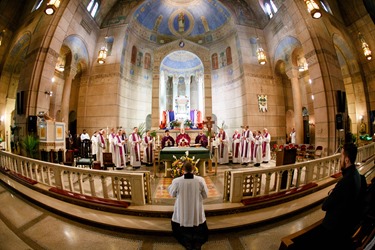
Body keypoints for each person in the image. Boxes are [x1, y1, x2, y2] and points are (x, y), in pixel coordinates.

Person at [299, 143, 365, 250]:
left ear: (347, 160)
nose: (340, 159)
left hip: (335, 230)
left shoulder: (345, 182)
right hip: (346, 224)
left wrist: (332, 193)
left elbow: (325, 206)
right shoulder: (357, 175)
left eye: (341, 156)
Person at [168, 161, 209, 250]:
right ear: (193, 169)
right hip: (196, 209)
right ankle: (197, 243)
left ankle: (187, 242)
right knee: (198, 222)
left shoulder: (176, 181)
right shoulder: (200, 180)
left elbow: (172, 194)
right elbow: (205, 195)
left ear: (183, 170)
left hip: (182, 209)